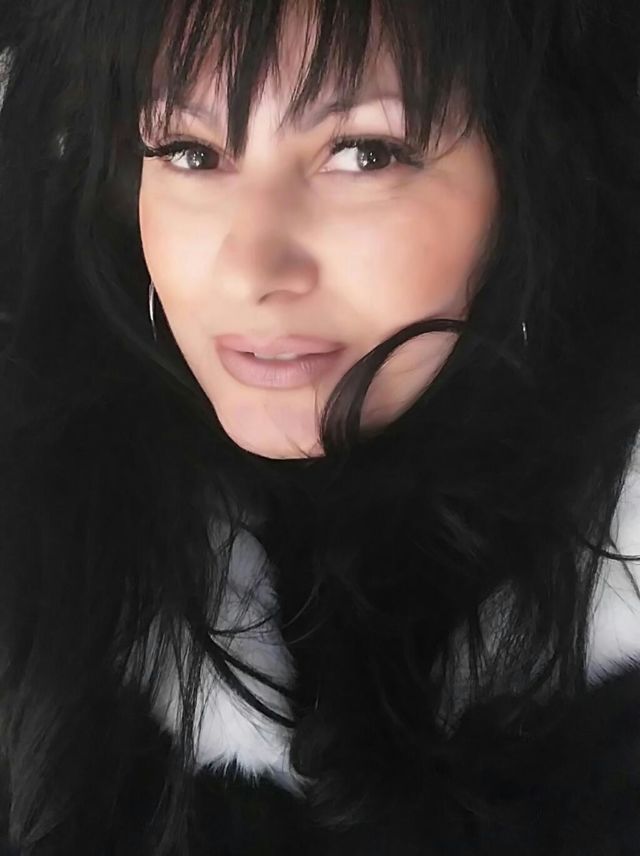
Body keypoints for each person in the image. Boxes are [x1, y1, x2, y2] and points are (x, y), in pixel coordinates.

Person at [1, 0, 640, 853]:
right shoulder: (47, 548)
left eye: (363, 153)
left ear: (528, 186)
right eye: (191, 152)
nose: (253, 267)